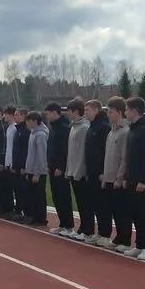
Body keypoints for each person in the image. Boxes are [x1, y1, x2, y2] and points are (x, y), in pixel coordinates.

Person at [123, 97, 145, 261]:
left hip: (142, 180)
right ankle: (140, 244)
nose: (125, 112)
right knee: (135, 212)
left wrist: (144, 180)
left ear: (134, 111)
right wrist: (126, 177)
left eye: (127, 109)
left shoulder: (144, 130)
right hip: (131, 178)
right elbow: (129, 157)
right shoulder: (132, 130)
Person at [100, 95, 130, 252]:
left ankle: (125, 240)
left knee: (122, 211)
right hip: (109, 178)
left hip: (119, 180)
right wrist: (106, 176)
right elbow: (107, 157)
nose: (108, 114)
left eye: (110, 111)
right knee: (114, 210)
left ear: (119, 112)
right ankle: (119, 237)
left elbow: (125, 158)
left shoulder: (125, 132)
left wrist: (120, 178)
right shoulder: (111, 133)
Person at [83, 99, 111, 244]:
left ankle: (105, 234)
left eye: (87, 110)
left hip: (100, 173)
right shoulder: (91, 127)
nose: (85, 113)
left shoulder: (103, 128)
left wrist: (102, 171)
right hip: (91, 172)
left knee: (103, 204)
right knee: (95, 203)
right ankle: (100, 232)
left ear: (96, 110)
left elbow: (105, 151)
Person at [45, 102, 74, 236]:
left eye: (48, 113)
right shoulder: (53, 127)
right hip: (52, 167)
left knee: (63, 196)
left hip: (59, 169)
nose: (47, 116)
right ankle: (62, 223)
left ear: (54, 112)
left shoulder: (63, 127)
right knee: (56, 196)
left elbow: (64, 150)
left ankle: (68, 225)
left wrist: (60, 167)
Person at [65, 98, 92, 241]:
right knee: (80, 203)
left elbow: (82, 152)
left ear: (75, 111)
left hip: (80, 172)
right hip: (73, 170)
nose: (68, 114)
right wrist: (69, 169)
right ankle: (83, 227)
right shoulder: (73, 127)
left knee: (85, 202)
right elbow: (71, 151)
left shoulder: (84, 128)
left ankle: (88, 230)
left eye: (69, 111)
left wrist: (79, 171)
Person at [24, 111, 50, 226]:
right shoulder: (33, 133)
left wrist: (38, 173)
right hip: (31, 170)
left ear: (35, 121)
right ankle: (34, 217)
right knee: (32, 195)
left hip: (38, 171)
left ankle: (41, 218)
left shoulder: (41, 135)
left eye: (28, 121)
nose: (27, 123)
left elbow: (41, 155)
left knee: (39, 196)